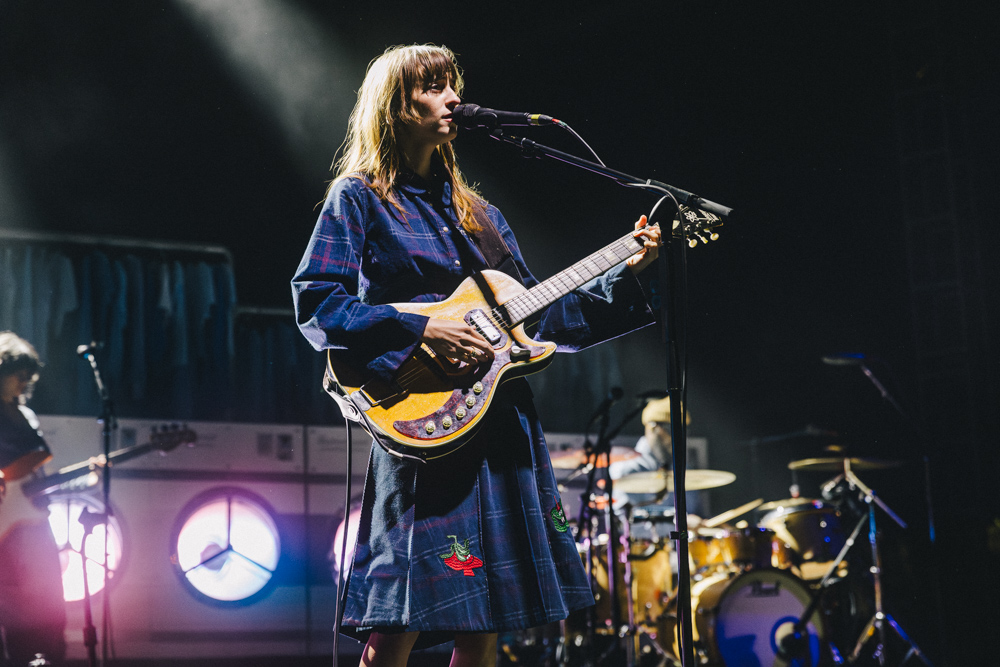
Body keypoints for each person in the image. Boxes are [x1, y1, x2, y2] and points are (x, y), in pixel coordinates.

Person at [292, 44, 662, 667]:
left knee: (489, 617)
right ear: (395, 107)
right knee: (400, 617)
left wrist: (623, 273)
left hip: (498, 419)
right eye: (432, 87)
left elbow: (540, 319)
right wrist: (420, 332)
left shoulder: (480, 215)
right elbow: (317, 302)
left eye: (451, 84)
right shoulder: (358, 198)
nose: (451, 98)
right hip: (423, 420)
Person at [0, 331, 66, 666]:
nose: (24, 381)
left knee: (49, 599)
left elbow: (39, 463)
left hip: (35, 518)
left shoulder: (26, 415)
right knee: (13, 604)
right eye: (18, 374)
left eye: (28, 376)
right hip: (7, 526)